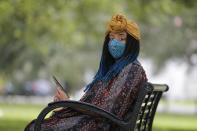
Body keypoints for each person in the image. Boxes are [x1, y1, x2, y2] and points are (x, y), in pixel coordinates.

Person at [25, 14, 147, 131]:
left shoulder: (131, 69)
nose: (115, 43)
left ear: (132, 42)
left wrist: (68, 103)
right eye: (111, 38)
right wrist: (68, 103)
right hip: (99, 124)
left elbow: (107, 110)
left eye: (121, 38)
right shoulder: (121, 69)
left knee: (36, 127)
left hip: (102, 127)